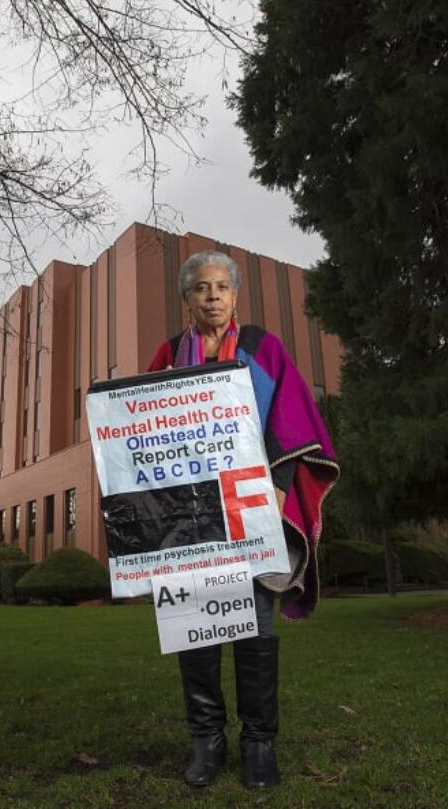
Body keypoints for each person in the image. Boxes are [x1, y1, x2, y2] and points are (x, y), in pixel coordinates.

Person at [147, 251, 338, 788]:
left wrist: (276, 488)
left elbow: (293, 418)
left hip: (252, 507)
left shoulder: (262, 348)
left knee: (254, 621)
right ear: (186, 298)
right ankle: (205, 739)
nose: (212, 296)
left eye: (222, 287)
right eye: (201, 288)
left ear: (235, 296)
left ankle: (259, 742)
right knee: (194, 625)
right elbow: (144, 429)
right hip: (187, 516)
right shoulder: (167, 355)